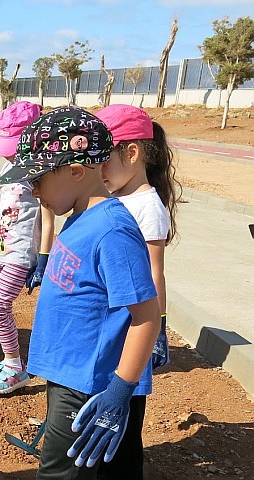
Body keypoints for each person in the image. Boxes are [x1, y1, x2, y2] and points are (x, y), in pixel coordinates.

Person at [0, 107, 160, 478]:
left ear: (74, 171)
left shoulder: (112, 230)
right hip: (70, 374)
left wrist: (119, 393)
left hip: (90, 386)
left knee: (61, 472)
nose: (33, 191)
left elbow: (146, 317)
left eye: (38, 179)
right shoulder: (80, 217)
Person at [96, 104, 181, 478]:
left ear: (131, 152)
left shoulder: (147, 206)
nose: (98, 170)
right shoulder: (116, 198)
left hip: (133, 328)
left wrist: (158, 328)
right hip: (113, 325)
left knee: (126, 422)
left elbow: (154, 273)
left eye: (103, 159)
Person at [0, 101, 54, 395]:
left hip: (20, 253)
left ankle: (16, 367)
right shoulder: (9, 166)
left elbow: (48, 213)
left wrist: (42, 257)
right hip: (1, 249)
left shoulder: (40, 171)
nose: (3, 150)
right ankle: (9, 362)